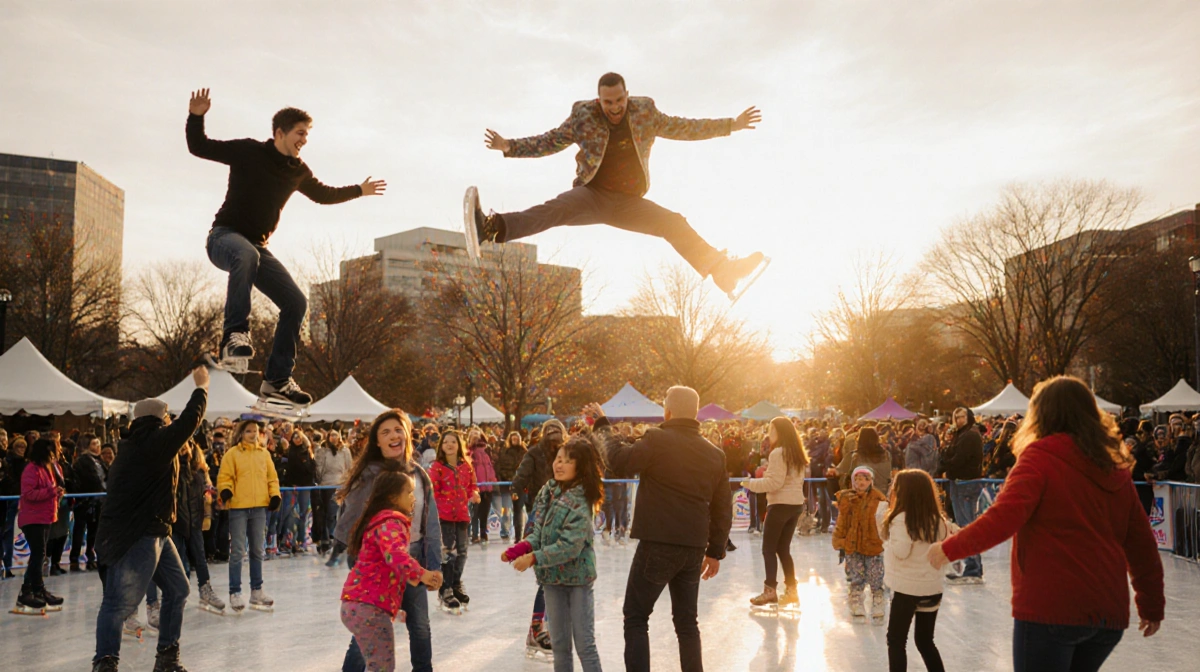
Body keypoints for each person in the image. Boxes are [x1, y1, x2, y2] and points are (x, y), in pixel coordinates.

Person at [928, 376, 1164, 672]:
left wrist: (949, 548)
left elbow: (1002, 518)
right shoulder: (1113, 465)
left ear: (1042, 414)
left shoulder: (1039, 459)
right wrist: (1152, 603)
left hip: (1051, 607)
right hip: (1106, 612)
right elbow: (1141, 543)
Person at [474, 73, 767, 300]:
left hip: (629, 203)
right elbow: (550, 141)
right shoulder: (583, 116)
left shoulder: (645, 112)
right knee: (557, 209)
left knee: (673, 223)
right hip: (592, 195)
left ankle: (723, 272)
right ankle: (492, 228)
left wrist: (731, 124)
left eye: (619, 101)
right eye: (608, 102)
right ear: (598, 99)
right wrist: (509, 146)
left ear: (627, 96)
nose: (614, 108)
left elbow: (684, 128)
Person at [186, 88, 386, 405]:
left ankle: (277, 379)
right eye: (300, 133)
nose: (304, 140)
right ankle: (234, 335)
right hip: (223, 238)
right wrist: (196, 116)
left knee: (296, 302)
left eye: (307, 135)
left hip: (256, 248)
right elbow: (199, 147)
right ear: (280, 132)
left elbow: (324, 195)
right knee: (247, 254)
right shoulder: (248, 151)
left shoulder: (299, 171)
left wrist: (359, 190)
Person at [586, 386, 732, 672]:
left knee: (637, 616)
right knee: (687, 623)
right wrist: (715, 550)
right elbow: (722, 506)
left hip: (659, 543)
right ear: (696, 412)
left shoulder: (658, 440)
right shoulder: (714, 453)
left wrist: (602, 425)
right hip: (692, 547)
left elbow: (618, 461)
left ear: (667, 410)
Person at [91, 367, 208, 672]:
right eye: (166, 421)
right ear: (159, 422)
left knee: (178, 589)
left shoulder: (138, 445)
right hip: (135, 534)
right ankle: (105, 662)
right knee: (118, 603)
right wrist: (201, 388)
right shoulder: (152, 444)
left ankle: (167, 657)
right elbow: (189, 421)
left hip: (155, 529)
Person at [334, 410, 444, 672]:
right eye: (385, 432)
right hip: (380, 561)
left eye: (398, 430)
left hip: (414, 555)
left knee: (420, 626)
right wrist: (359, 561)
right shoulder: (368, 476)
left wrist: (434, 565)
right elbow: (351, 522)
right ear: (378, 442)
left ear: (407, 434)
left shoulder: (419, 474)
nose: (393, 436)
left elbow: (431, 522)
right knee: (371, 629)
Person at [503, 435, 606, 672]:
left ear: (580, 466)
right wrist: (522, 548)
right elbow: (537, 529)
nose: (559, 465)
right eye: (558, 459)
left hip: (578, 580)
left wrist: (535, 557)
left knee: (585, 644)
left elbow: (570, 546)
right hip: (551, 578)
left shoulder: (581, 500)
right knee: (559, 645)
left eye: (567, 461)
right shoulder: (548, 491)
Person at [882, 469, 955, 672]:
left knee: (896, 640)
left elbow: (901, 551)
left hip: (907, 589)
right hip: (932, 588)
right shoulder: (938, 520)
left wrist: (887, 533)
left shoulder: (900, 519)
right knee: (925, 641)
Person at [512, 419, 568, 657]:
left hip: (544, 515)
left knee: (551, 578)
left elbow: (519, 479)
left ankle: (541, 628)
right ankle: (538, 631)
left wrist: (519, 495)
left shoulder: (535, 451)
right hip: (556, 516)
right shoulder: (568, 452)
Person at [743, 417, 808, 611]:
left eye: (771, 430)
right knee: (782, 549)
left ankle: (770, 590)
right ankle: (791, 590)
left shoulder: (779, 453)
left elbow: (774, 483)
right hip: (795, 504)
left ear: (779, 432)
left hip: (780, 505)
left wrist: (749, 483)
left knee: (769, 548)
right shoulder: (796, 453)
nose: (768, 434)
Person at [217, 419, 281, 613]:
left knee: (257, 550)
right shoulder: (232, 454)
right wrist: (226, 490)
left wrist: (274, 495)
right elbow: (225, 476)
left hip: (259, 507)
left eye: (255, 431)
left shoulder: (264, 455)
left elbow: (272, 478)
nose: (253, 434)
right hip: (238, 507)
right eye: (249, 431)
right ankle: (235, 591)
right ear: (241, 434)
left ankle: (257, 590)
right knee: (237, 551)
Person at [428, 430, 480, 612]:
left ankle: (456, 583)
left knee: (463, 552)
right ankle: (446, 589)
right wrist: (445, 500)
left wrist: (474, 493)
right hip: (445, 516)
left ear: (459, 445)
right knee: (449, 552)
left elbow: (472, 485)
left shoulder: (466, 466)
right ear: (441, 446)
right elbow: (432, 490)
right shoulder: (437, 467)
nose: (449, 445)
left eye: (453, 442)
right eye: (446, 442)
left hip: (463, 515)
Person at [14, 438, 65, 614]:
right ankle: (27, 591)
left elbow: (53, 488)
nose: (54, 455)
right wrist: (52, 492)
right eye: (51, 452)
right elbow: (28, 494)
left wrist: (57, 494)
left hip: (45, 517)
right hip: (32, 518)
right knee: (38, 554)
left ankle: (38, 589)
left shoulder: (49, 468)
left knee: (39, 554)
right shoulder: (31, 469)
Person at [833, 466, 888, 625]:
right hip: (853, 544)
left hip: (874, 544)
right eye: (857, 479)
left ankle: (878, 599)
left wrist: (885, 539)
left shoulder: (879, 499)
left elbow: (883, 522)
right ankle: (856, 598)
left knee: (875, 574)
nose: (861, 482)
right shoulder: (846, 499)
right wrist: (839, 539)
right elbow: (842, 522)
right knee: (856, 574)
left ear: (871, 481)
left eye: (865, 479)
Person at [938, 407, 985, 585]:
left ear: (969, 417)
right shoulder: (960, 435)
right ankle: (972, 566)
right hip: (958, 482)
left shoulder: (970, 435)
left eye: (962, 416)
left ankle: (973, 568)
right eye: (956, 417)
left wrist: (945, 464)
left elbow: (958, 459)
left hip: (966, 483)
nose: (958, 420)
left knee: (967, 526)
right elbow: (947, 454)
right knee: (963, 525)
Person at [70, 433, 107, 572]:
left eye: (98, 444)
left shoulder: (99, 461)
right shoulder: (83, 461)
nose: (97, 447)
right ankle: (75, 558)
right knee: (80, 530)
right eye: (93, 444)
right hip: (85, 501)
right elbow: (90, 480)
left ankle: (90, 557)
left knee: (94, 531)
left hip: (98, 501)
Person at [315, 429, 353, 556]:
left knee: (335, 512)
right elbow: (319, 468)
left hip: (340, 484)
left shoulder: (345, 451)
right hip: (326, 484)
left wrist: (347, 482)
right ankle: (327, 538)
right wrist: (321, 480)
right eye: (331, 435)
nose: (333, 437)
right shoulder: (323, 451)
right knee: (326, 513)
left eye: (336, 435)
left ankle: (334, 537)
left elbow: (349, 467)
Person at [281, 430, 316, 554]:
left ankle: (302, 540)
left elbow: (312, 468)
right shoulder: (290, 452)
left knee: (304, 513)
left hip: (305, 486)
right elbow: (290, 470)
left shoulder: (307, 452)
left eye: (299, 437)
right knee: (292, 514)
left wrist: (306, 462)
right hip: (293, 487)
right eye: (294, 437)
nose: (297, 439)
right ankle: (290, 541)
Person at [493, 431, 527, 541]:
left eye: (517, 439)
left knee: (519, 510)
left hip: (520, 485)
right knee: (506, 509)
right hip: (506, 484)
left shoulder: (524, 452)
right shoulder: (505, 452)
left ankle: (519, 534)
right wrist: (507, 477)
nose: (515, 441)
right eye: (513, 439)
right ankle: (505, 530)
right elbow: (500, 468)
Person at [2, 437, 28, 579]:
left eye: (23, 447)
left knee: (10, 533)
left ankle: (8, 565)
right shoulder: (8, 462)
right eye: (18, 447)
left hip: (17, 499)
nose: (21, 450)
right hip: (9, 499)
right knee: (6, 532)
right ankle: (6, 565)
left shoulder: (25, 463)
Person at [466, 428, 496, 546]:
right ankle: (474, 534)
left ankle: (483, 533)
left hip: (487, 487)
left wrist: (492, 481)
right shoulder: (469, 452)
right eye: (472, 435)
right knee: (474, 513)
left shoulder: (486, 451)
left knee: (484, 512)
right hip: (475, 486)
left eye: (476, 434)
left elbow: (490, 468)